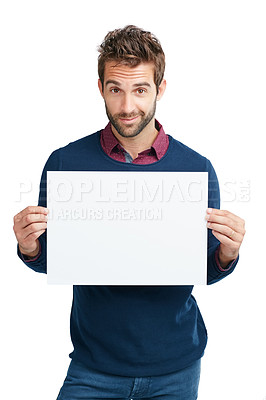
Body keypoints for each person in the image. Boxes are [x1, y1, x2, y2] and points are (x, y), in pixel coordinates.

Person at [13, 25, 245, 400]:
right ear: (100, 87)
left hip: (176, 368)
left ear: (160, 89)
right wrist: (30, 249)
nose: (126, 107)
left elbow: (200, 269)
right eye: (115, 89)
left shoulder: (196, 170)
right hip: (94, 366)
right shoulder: (65, 163)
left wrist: (227, 255)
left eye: (140, 90)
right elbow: (54, 262)